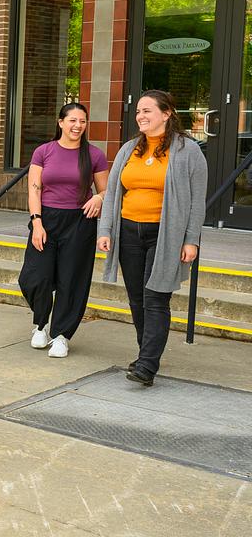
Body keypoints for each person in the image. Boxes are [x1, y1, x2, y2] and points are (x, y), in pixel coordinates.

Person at [97, 90, 207, 387]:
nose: (141, 116)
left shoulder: (188, 150)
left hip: (165, 234)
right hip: (129, 231)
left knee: (155, 298)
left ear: (167, 113)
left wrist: (191, 239)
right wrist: (105, 230)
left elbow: (198, 201)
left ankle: (146, 365)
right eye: (138, 112)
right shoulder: (129, 148)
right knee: (136, 298)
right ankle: (147, 353)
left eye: (147, 111)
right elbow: (112, 196)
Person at [19, 102, 109, 358]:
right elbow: (34, 189)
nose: (77, 125)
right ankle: (41, 324)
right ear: (60, 123)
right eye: (72, 120)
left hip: (80, 222)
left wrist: (99, 199)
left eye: (82, 121)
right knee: (35, 277)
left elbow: (106, 189)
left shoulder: (94, 155)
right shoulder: (43, 151)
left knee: (72, 279)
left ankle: (61, 335)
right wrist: (37, 222)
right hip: (46, 219)